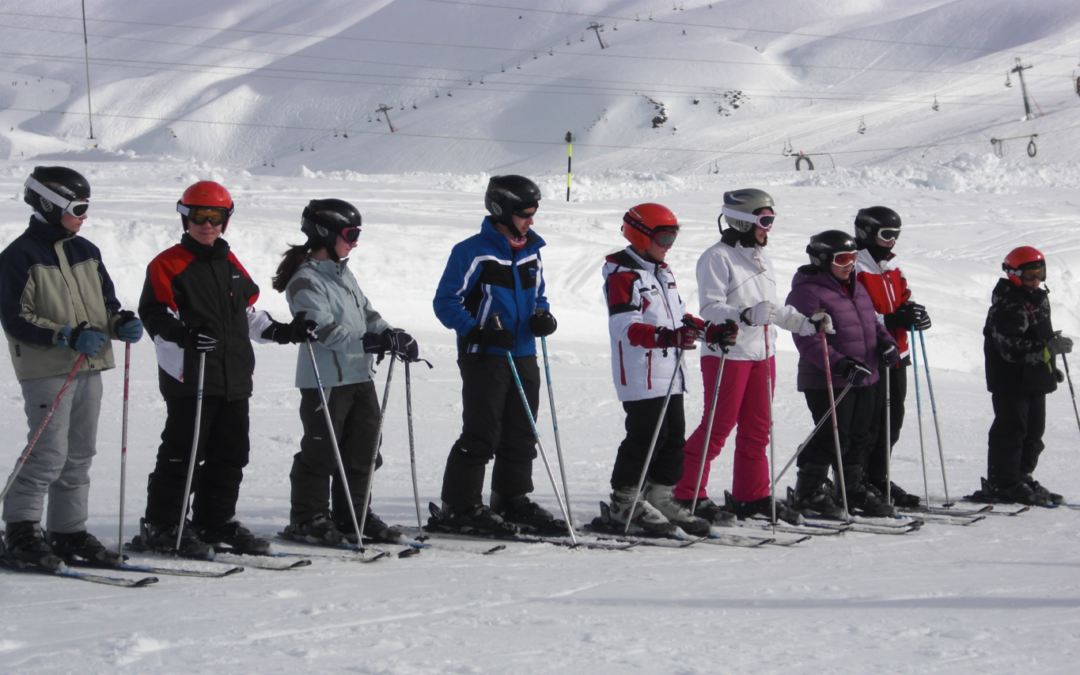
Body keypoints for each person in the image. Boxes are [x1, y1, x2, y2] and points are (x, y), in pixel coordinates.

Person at [137, 180, 313, 557]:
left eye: (215, 216)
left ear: (225, 220)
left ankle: (214, 520)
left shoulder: (230, 262)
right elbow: (155, 316)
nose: (207, 224)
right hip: (191, 377)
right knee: (183, 452)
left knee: (230, 453)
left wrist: (285, 331)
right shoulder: (168, 264)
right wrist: (185, 335)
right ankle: (163, 524)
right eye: (198, 216)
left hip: (234, 377)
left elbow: (247, 316)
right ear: (184, 217)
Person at [0, 166, 143, 570]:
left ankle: (67, 531)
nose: (84, 216)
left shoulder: (87, 251)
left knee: (79, 454)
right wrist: (65, 336)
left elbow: (107, 306)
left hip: (89, 365)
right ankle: (21, 528)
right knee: (48, 452)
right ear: (50, 204)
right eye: (78, 208)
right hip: (47, 370)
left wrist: (119, 324)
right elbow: (15, 318)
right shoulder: (18, 257)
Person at [673, 189, 830, 526]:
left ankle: (751, 495)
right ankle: (686, 493)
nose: (768, 227)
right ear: (742, 220)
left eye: (771, 220)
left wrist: (805, 323)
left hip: (763, 353)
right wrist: (744, 315)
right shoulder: (716, 257)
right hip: (728, 353)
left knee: (758, 429)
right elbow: (710, 308)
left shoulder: (761, 257)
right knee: (718, 426)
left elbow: (768, 311)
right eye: (764, 220)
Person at [272, 198, 419, 545]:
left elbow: (367, 314)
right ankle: (308, 518)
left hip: (358, 377)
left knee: (364, 451)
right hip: (326, 382)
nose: (355, 242)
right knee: (323, 451)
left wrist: (390, 333)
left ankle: (354, 514)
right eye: (350, 234)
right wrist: (372, 342)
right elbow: (326, 333)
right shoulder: (304, 281)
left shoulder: (343, 273)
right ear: (324, 233)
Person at [592, 203, 737, 536]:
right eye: (664, 236)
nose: (669, 243)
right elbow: (624, 327)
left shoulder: (663, 272)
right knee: (645, 438)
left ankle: (660, 496)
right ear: (640, 235)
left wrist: (709, 330)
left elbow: (680, 317)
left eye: (674, 235)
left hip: (670, 373)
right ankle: (624, 501)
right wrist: (668, 337)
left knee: (672, 438)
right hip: (641, 374)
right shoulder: (623, 276)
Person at [430, 175, 561, 535]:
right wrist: (477, 330)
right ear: (501, 209)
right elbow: (445, 302)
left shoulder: (532, 250)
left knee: (522, 431)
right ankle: (460, 505)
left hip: (522, 351)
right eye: (524, 213)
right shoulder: (472, 251)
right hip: (484, 354)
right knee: (482, 431)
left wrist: (541, 315)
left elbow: (539, 294)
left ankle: (511, 498)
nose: (530, 220)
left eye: (534, 213)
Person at [785, 230, 898, 518]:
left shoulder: (856, 286)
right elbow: (806, 340)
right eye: (843, 258)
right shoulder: (806, 291)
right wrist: (841, 364)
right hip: (828, 378)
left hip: (865, 375)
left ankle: (851, 488)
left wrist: (886, 343)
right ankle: (808, 491)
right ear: (822, 260)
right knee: (833, 436)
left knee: (862, 436)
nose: (850, 264)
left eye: (854, 257)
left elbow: (872, 321)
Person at [968, 246, 1069, 506]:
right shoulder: (1009, 304)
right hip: (1011, 379)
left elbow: (1037, 338)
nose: (1036, 280)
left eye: (1041, 273)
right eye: (1029, 275)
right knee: (1013, 430)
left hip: (1033, 377)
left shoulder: (1036, 298)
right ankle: (1003, 482)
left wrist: (1049, 364)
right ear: (1013, 274)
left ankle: (1020, 476)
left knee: (1034, 432)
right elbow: (1010, 348)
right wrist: (1047, 351)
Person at [853, 206, 931, 508]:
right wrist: (892, 320)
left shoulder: (889, 267)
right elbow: (854, 311)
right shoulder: (855, 266)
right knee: (869, 424)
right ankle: (856, 481)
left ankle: (878, 476)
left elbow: (902, 299)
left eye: (896, 236)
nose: (891, 242)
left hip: (897, 354)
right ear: (866, 232)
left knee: (892, 422)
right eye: (886, 235)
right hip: (871, 355)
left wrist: (912, 315)